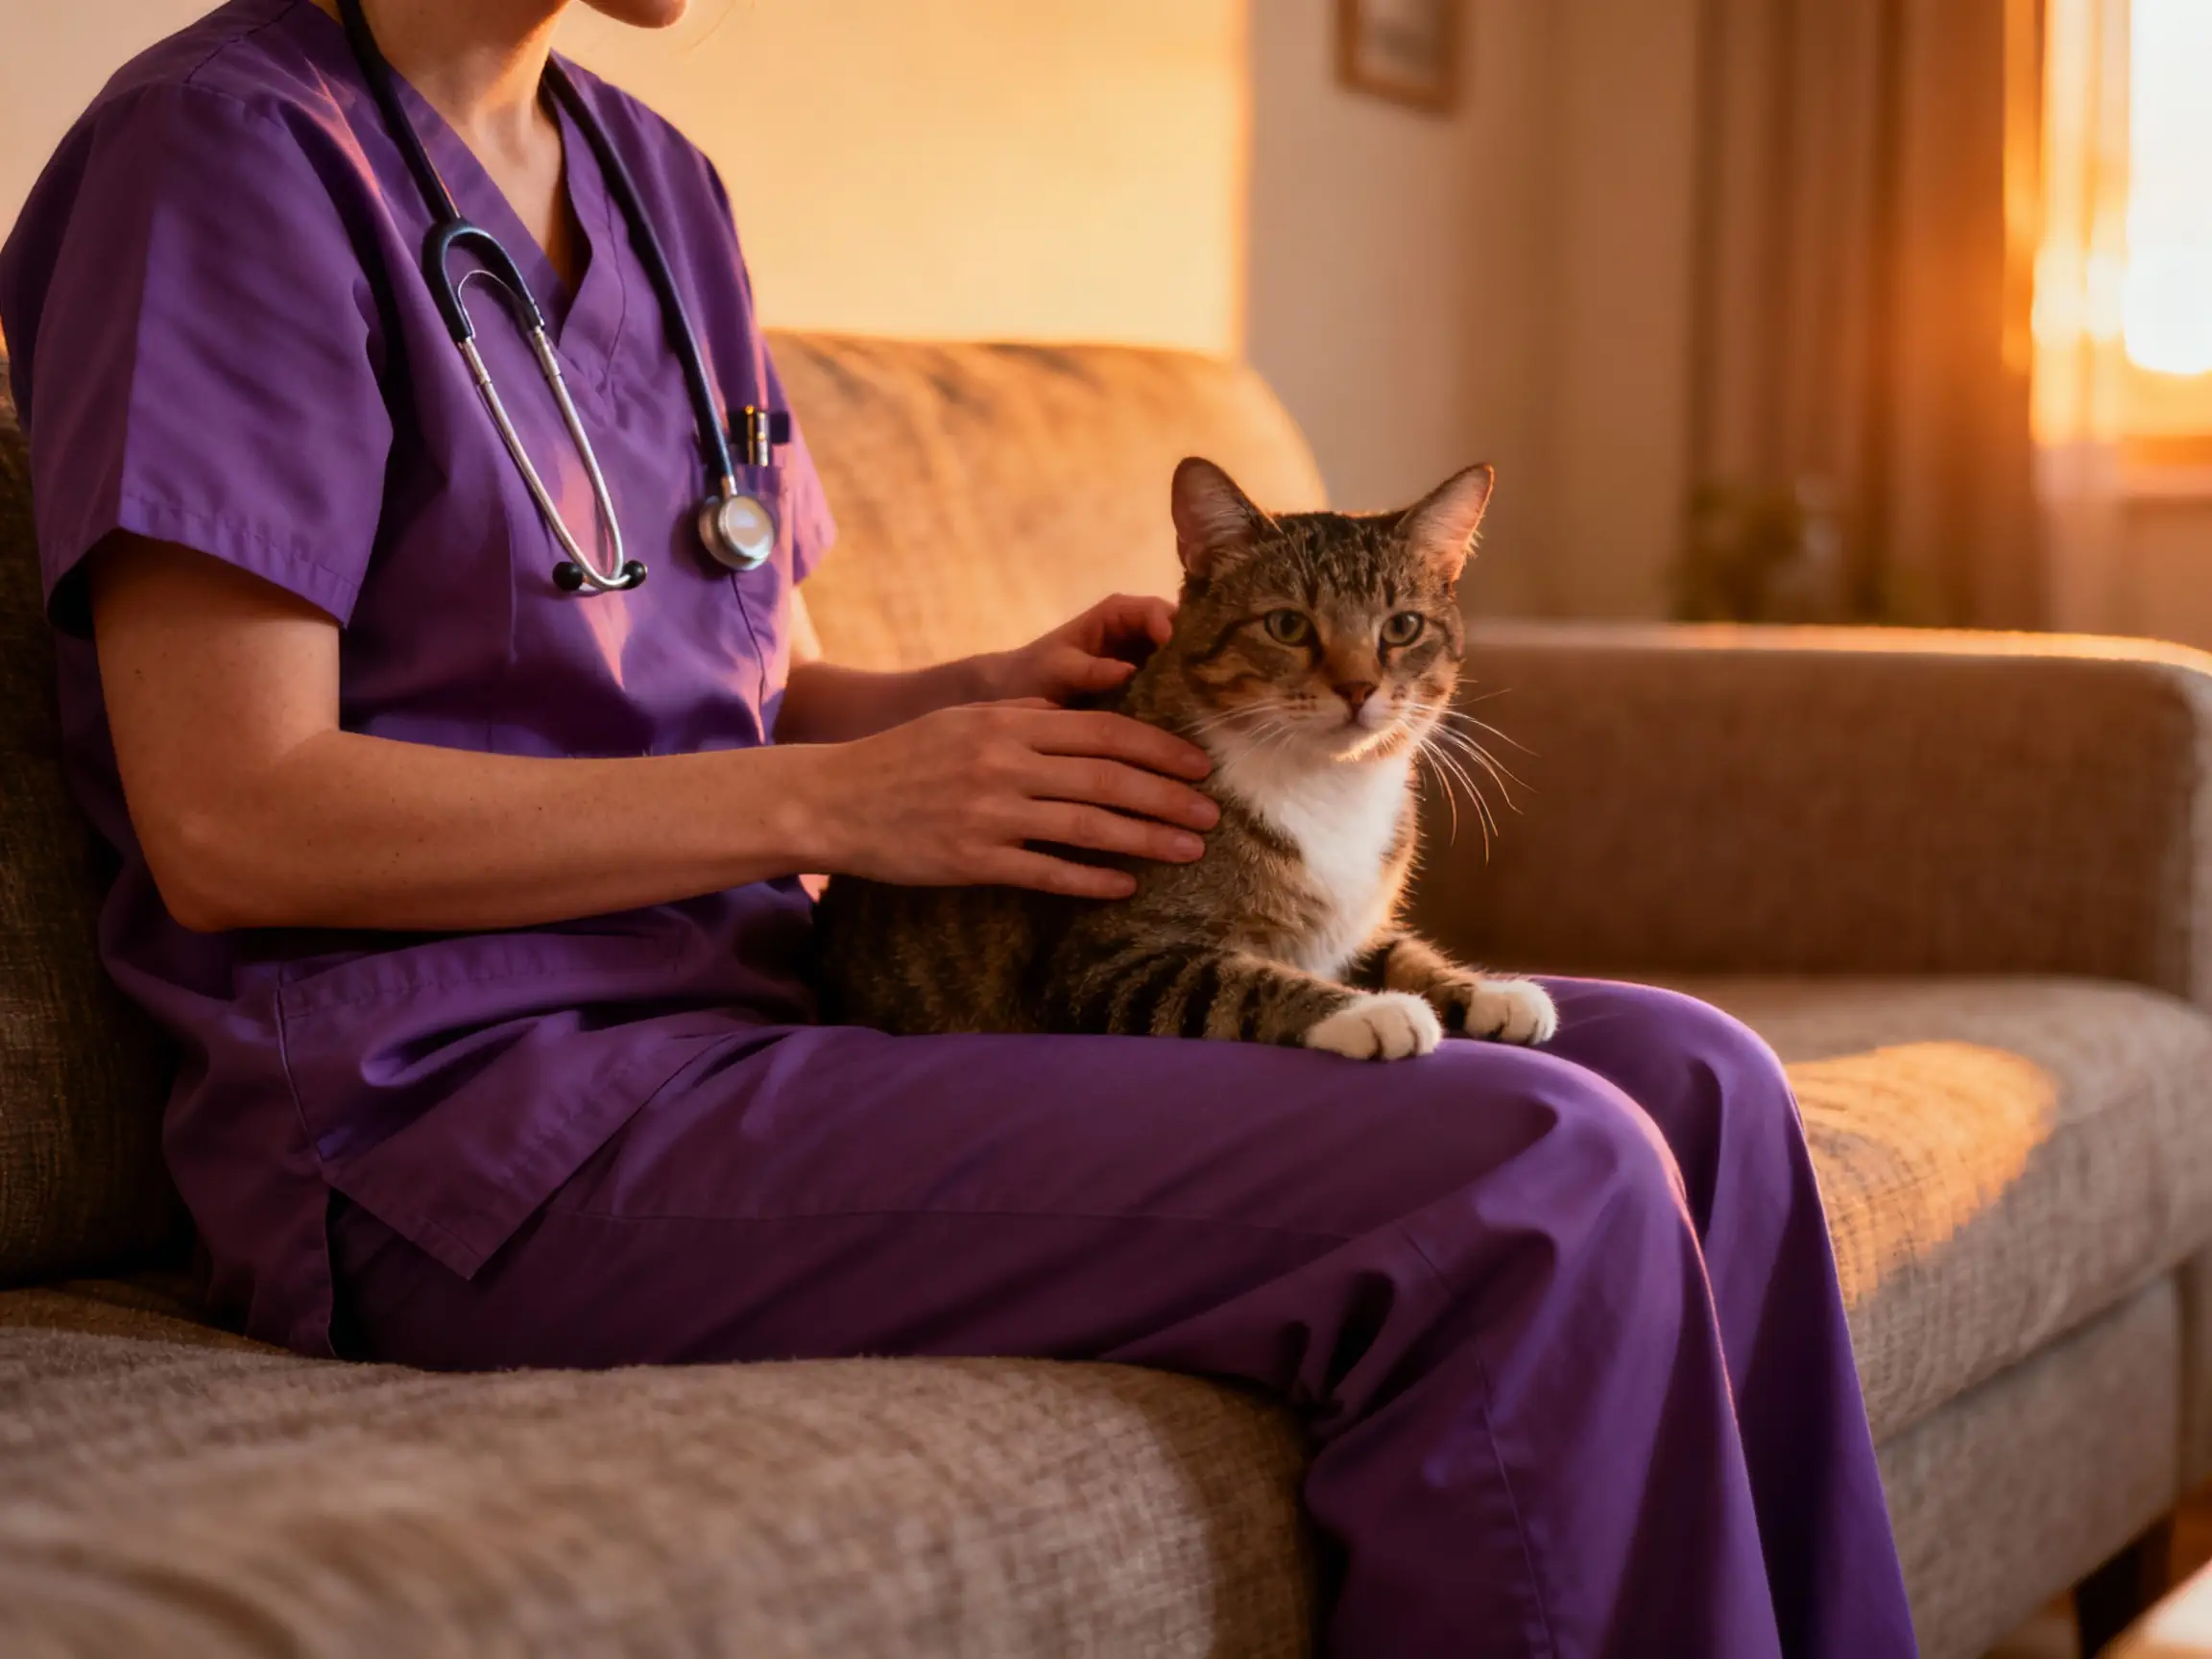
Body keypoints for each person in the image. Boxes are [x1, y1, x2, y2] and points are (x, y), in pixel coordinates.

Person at [0, 1, 1917, 1653]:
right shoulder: (216, 164)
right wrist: (841, 801)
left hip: (759, 1014)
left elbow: (748, 684)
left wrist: (975, 702)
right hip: (456, 1125)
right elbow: (234, 821)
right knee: (1529, 1167)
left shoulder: (658, 191)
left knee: (1698, 1088)